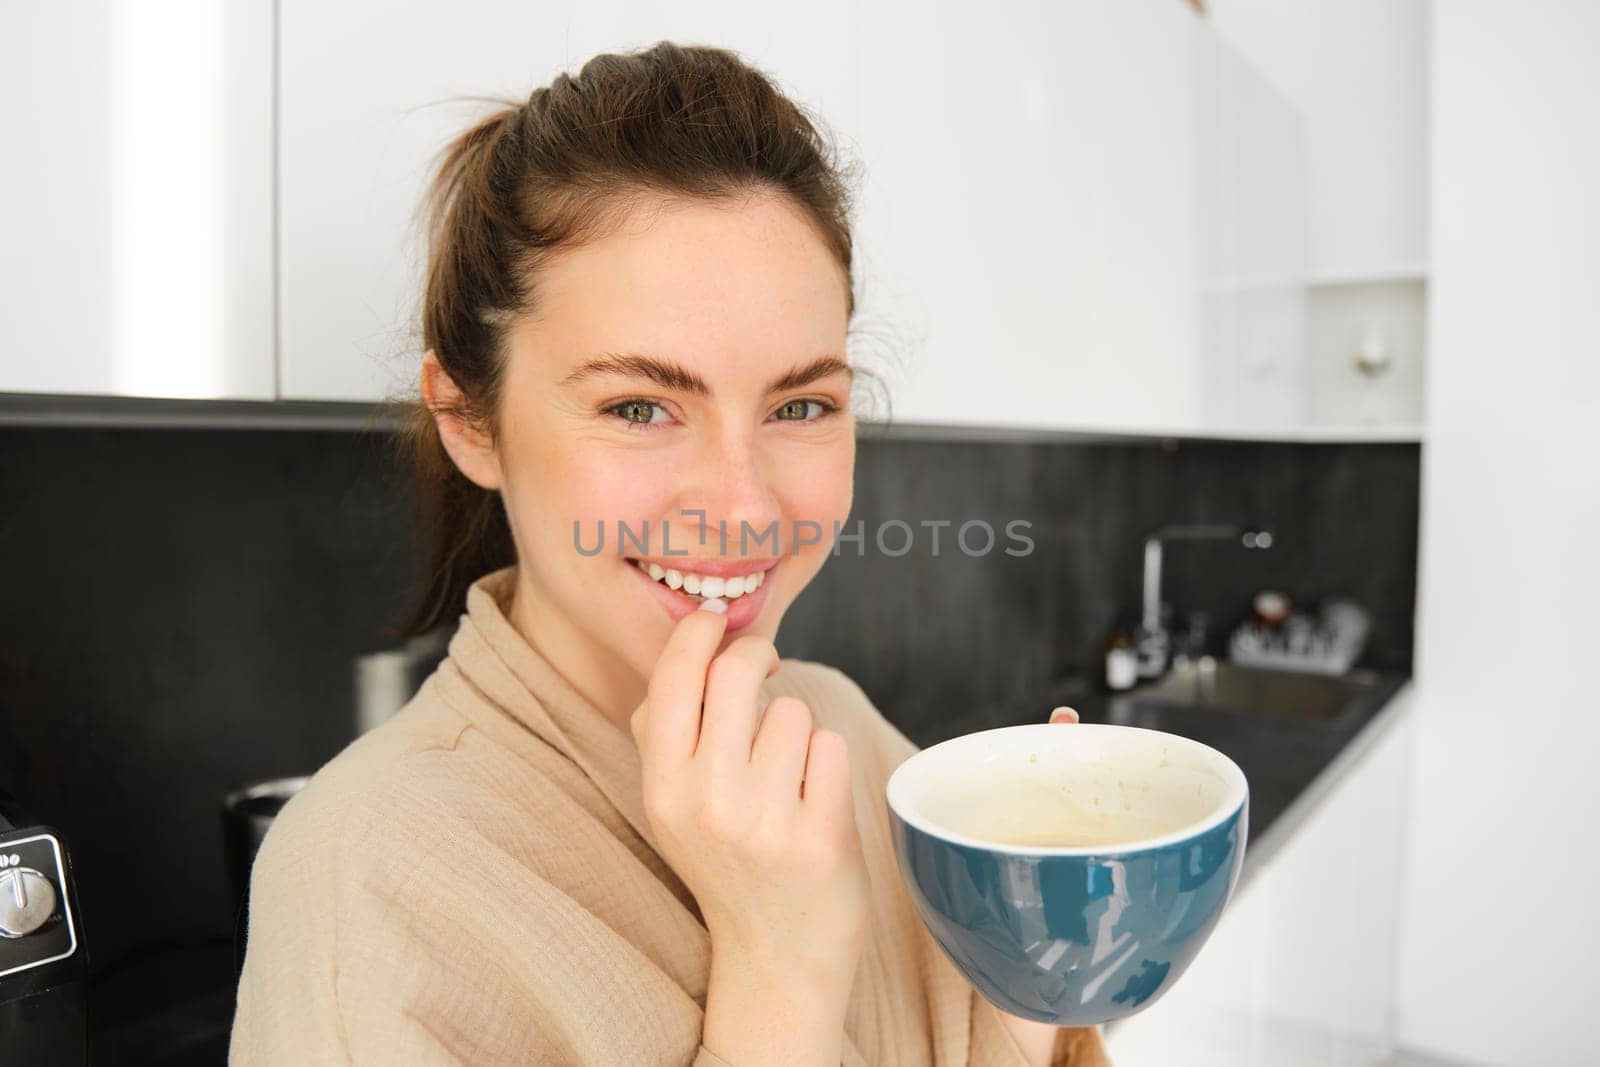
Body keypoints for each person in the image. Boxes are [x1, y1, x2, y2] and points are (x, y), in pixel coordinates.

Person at [229, 40, 1111, 1066]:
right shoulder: (364, 879)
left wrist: (1037, 970)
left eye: (800, 404)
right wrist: (779, 966)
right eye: (640, 406)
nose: (742, 507)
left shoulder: (842, 732)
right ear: (469, 419)